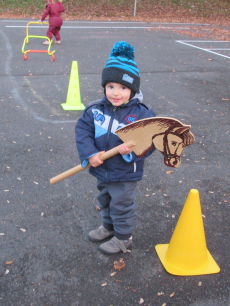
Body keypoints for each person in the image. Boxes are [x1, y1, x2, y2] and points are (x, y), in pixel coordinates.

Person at [75, 41, 156, 255]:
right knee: (105, 198)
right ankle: (109, 227)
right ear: (104, 87)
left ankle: (123, 238)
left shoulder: (142, 114)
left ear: (133, 89)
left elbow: (152, 140)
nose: (116, 93)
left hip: (125, 172)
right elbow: (83, 132)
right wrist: (90, 154)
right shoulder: (95, 110)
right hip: (102, 167)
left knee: (121, 203)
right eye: (110, 86)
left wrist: (132, 152)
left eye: (123, 88)